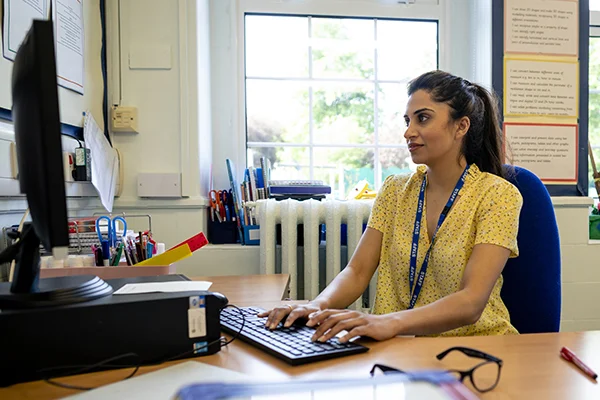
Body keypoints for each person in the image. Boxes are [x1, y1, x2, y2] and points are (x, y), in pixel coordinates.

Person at [258, 70, 523, 343]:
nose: (409, 132)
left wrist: (389, 322)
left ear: (461, 126)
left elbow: (471, 302)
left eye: (423, 118)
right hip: (398, 347)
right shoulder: (395, 190)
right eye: (408, 121)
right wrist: (316, 306)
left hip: (474, 348)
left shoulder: (497, 195)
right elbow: (357, 271)